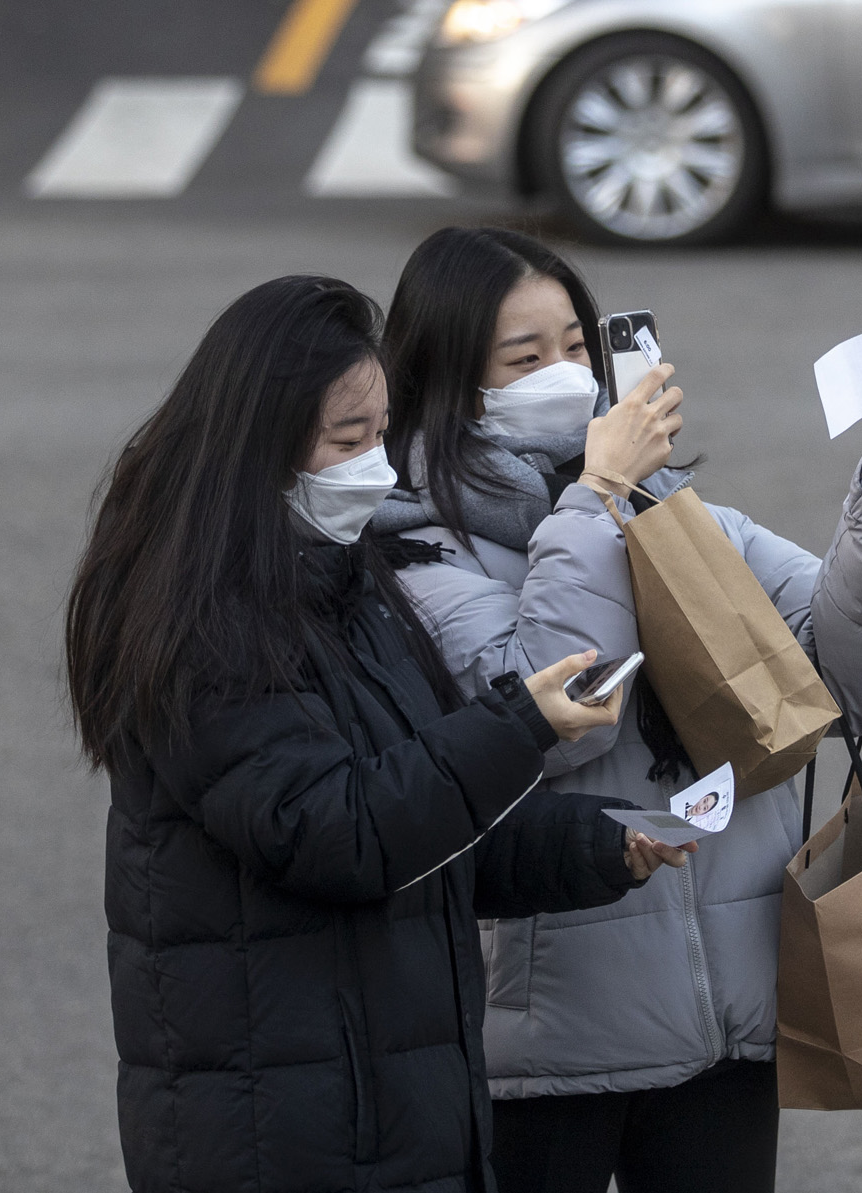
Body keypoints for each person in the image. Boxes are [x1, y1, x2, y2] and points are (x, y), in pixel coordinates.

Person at [65, 274, 690, 1193]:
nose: (380, 468)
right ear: (258, 451)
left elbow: (426, 831)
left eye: (380, 433)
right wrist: (517, 725)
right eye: (347, 440)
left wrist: (596, 842)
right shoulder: (204, 631)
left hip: (386, 1106)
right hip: (287, 1131)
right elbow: (340, 832)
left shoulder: (343, 584)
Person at [371, 228, 862, 1193]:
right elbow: (552, 712)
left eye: (574, 346)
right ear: (448, 383)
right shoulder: (422, 557)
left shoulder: (679, 516)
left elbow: (838, 681)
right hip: (545, 1053)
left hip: (727, 1026)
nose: (563, 373)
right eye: (524, 359)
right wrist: (596, 494)